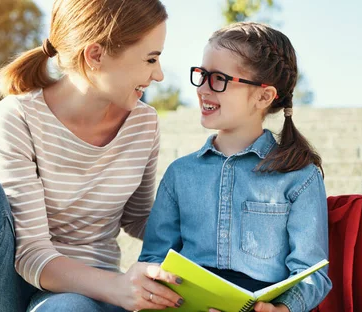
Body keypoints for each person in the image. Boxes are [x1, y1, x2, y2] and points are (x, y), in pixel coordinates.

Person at [0, 0, 185, 311]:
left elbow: (139, 218)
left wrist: (215, 232)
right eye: (150, 59)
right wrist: (118, 286)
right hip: (9, 286)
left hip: (88, 293)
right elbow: (33, 254)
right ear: (95, 55)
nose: (158, 74)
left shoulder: (143, 124)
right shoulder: (17, 117)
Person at [138, 22, 332, 312]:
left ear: (263, 96)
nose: (203, 88)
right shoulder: (180, 174)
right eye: (201, 75)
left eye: (218, 78)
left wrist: (283, 309)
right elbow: (153, 258)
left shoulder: (300, 177)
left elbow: (312, 273)